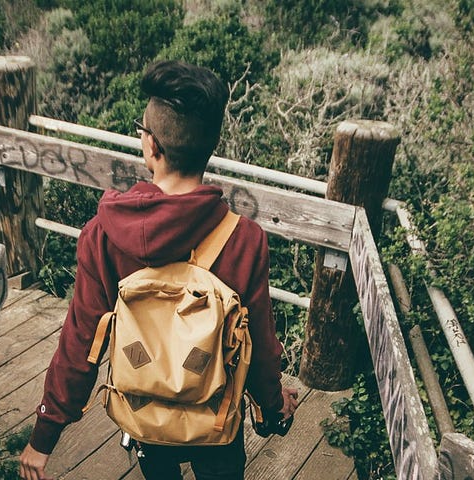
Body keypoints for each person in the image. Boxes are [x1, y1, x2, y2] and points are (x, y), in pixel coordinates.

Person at [17, 60, 299, 480]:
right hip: (217, 417)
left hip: (144, 414)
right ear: (210, 146)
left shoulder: (103, 234)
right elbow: (259, 342)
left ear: (151, 146)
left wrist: (43, 437)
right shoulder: (244, 238)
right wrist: (275, 408)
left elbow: (79, 343)